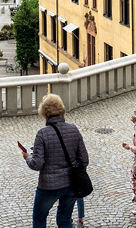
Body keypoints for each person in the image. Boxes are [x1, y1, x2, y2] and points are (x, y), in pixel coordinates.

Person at [22, 93, 89, 228]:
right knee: (65, 220)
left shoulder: (42, 133)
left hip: (48, 186)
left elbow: (37, 163)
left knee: (39, 218)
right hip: (71, 184)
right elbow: (84, 160)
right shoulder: (73, 129)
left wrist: (28, 156)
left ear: (44, 113)